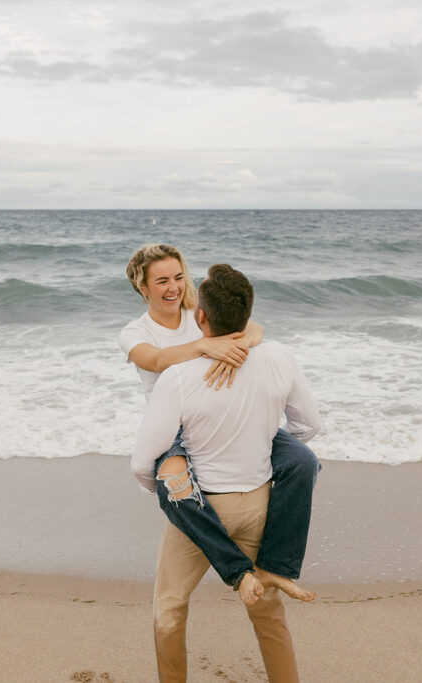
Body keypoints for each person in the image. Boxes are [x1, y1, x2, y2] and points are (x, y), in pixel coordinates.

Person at [131, 263, 321, 681]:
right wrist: (254, 437)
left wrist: (172, 486)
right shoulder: (280, 357)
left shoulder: (179, 378)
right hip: (260, 503)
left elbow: (142, 464)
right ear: (247, 315)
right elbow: (308, 426)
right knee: (269, 615)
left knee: (170, 608)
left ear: (201, 316)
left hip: (199, 511)